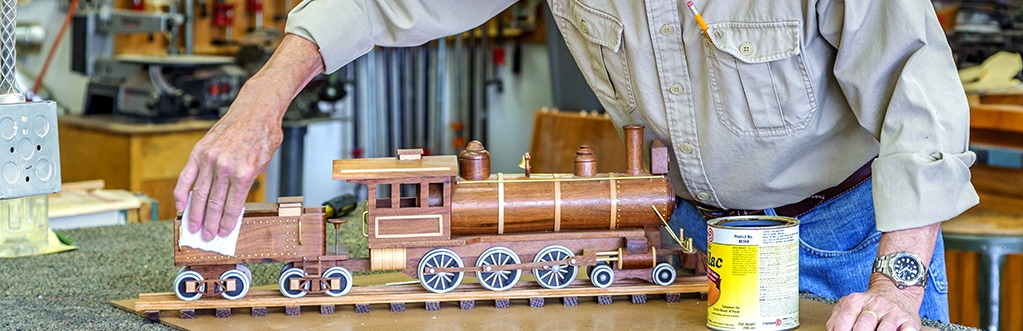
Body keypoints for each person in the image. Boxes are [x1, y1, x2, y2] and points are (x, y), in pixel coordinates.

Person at [174, 1, 977, 330]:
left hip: (848, 240)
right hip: (690, 237)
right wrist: (263, 94)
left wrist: (896, 285)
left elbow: (920, 90)